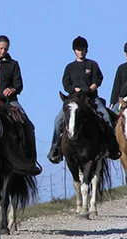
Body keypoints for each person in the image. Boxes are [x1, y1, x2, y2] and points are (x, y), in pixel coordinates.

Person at [47, 36, 120, 164]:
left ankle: (112, 148)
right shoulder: (70, 67)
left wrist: (92, 87)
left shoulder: (92, 64)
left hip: (91, 98)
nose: (81, 52)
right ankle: (55, 149)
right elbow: (66, 83)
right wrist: (74, 89)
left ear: (86, 50)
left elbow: (98, 79)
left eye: (83, 49)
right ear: (74, 50)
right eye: (78, 49)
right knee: (58, 121)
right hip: (74, 100)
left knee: (107, 118)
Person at [0, 35, 40, 169]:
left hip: (10, 102)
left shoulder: (13, 64)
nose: (3, 51)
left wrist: (12, 89)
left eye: (5, 49)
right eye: (0, 48)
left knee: (29, 126)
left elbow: (19, 85)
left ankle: (31, 160)